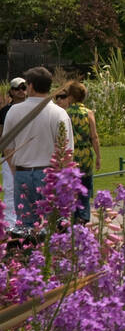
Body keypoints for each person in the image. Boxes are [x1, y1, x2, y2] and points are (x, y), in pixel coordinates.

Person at [1, 68, 73, 230]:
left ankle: (27, 253)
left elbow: (8, 147)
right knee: (54, 225)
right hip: (50, 175)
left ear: (31, 86)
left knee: (25, 225)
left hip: (22, 172)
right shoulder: (59, 113)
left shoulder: (14, 111)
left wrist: (15, 170)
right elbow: (67, 152)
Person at [64, 81, 101, 223]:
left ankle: (73, 218)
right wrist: (98, 156)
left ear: (71, 96)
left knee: (71, 189)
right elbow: (94, 137)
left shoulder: (65, 113)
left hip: (70, 156)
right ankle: (84, 217)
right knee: (84, 188)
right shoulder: (88, 113)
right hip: (85, 155)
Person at [0, 78, 27, 229]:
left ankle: (28, 221)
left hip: (28, 154)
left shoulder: (33, 108)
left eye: (24, 87)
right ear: (11, 91)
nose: (21, 91)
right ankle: (11, 224)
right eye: (17, 88)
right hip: (9, 154)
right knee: (10, 189)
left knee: (29, 189)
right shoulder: (4, 111)